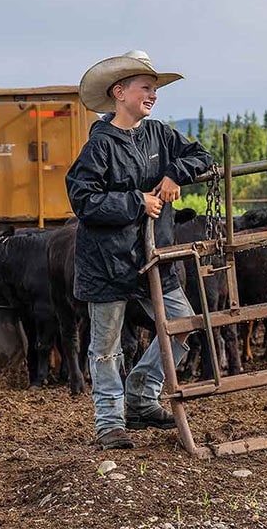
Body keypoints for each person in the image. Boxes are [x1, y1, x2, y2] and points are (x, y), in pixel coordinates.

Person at [66, 50, 213, 450]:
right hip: (108, 262)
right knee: (106, 346)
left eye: (154, 89)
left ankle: (142, 394)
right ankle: (110, 423)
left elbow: (203, 157)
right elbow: (82, 199)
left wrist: (172, 173)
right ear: (119, 92)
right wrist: (136, 202)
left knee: (183, 326)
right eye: (146, 87)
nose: (153, 95)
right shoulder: (99, 147)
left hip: (154, 258)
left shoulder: (160, 136)